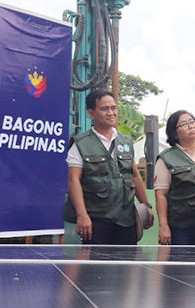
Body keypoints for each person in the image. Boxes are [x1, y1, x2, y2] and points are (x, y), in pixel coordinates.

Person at [65, 90, 153, 244]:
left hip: (126, 219)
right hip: (96, 219)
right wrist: (82, 215)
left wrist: (146, 205)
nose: (111, 113)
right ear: (91, 113)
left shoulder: (126, 141)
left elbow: (134, 175)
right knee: (95, 266)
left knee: (127, 265)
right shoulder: (80, 143)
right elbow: (74, 180)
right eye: (105, 109)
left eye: (114, 108)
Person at [155, 110, 195, 245]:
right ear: (174, 133)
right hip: (181, 226)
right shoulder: (166, 158)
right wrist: (163, 226)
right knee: (184, 264)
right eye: (184, 124)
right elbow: (161, 195)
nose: (191, 126)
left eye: (192, 122)